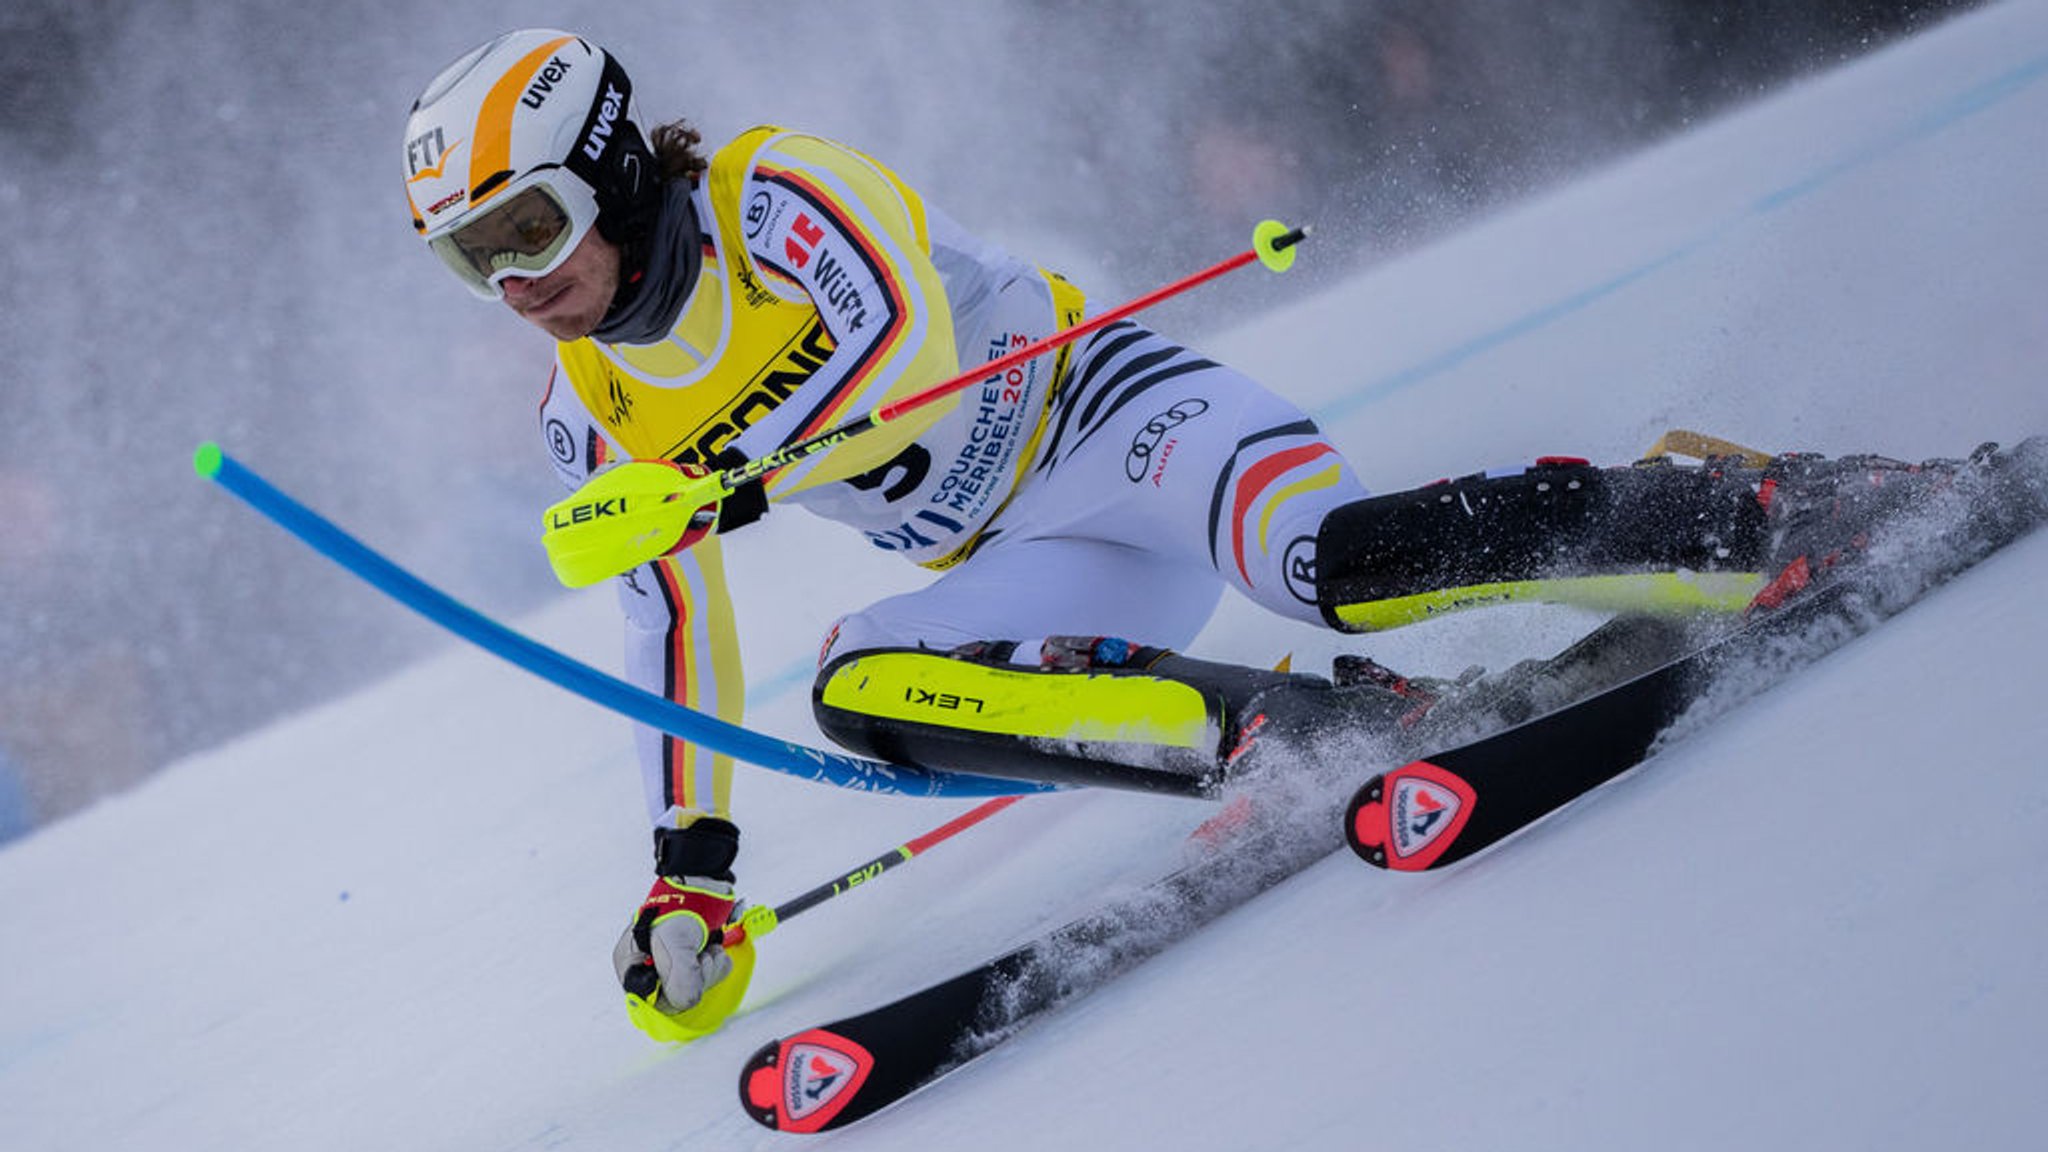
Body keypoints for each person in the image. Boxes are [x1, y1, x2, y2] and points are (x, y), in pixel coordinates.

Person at [400, 29, 1990, 1042]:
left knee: (1321, 567)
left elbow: (907, 342)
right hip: (1028, 558)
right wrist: (692, 867)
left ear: (609, 171)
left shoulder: (774, 194)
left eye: (528, 226)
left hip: (1123, 425)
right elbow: (669, 631)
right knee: (862, 685)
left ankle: (1760, 507)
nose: (517, 281)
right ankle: (1305, 738)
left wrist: (741, 471)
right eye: (477, 260)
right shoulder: (589, 406)